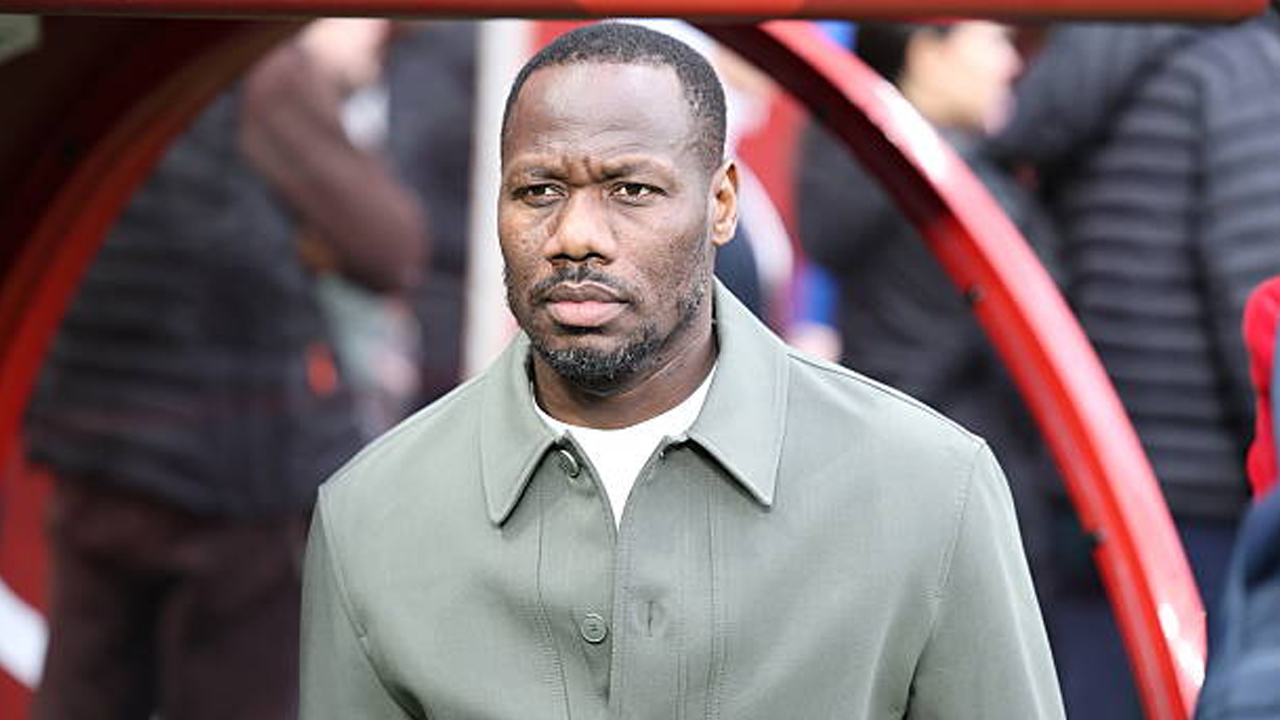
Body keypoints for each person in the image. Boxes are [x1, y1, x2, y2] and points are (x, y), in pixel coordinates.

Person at [300, 22, 1063, 719]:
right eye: (538, 191)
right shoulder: (373, 514)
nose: (576, 235)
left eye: (631, 189)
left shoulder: (929, 490)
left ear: (721, 203)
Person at [26, 19, 427, 719]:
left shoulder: (87, 53)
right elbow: (390, 247)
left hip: (94, 442)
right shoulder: (258, 67)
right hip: (235, 473)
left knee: (80, 697)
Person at [990, 14, 1280, 717]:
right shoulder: (1239, 73)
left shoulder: (1084, 71)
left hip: (1088, 467)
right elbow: (1250, 284)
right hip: (1203, 490)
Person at [796, 21, 1062, 594]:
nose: (1012, 63)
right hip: (978, 480)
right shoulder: (963, 199)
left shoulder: (846, 167)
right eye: (994, 41)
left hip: (875, 469)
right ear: (926, 53)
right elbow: (1029, 361)